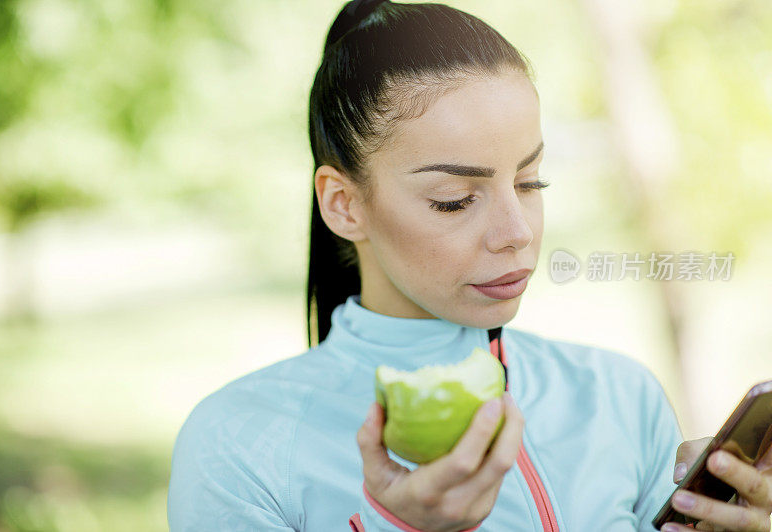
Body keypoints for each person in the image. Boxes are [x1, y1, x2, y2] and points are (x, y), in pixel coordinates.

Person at [167, 1, 772, 530]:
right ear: (344, 204)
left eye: (531, 182)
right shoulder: (237, 446)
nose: (518, 234)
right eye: (454, 200)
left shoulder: (619, 394)